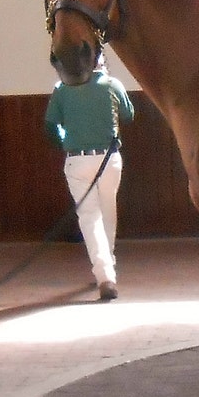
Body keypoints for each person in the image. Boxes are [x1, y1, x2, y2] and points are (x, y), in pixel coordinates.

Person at [44, 54, 134, 301]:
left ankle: (104, 274)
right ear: (100, 62)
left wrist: (65, 143)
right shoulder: (112, 84)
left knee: (89, 217)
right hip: (109, 158)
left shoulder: (62, 89)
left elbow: (50, 126)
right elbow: (129, 114)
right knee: (108, 212)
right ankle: (108, 264)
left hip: (77, 159)